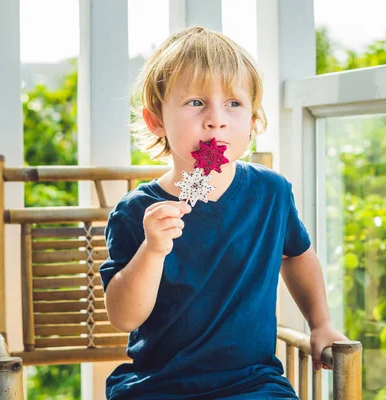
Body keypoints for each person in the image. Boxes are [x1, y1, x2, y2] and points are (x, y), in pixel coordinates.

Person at [99, 26, 348, 399]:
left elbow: (296, 255)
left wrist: (321, 322)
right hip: (161, 384)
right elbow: (124, 317)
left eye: (233, 104)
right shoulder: (136, 212)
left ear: (252, 121)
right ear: (156, 121)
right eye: (196, 102)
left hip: (253, 381)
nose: (216, 119)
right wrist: (152, 250)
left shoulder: (271, 193)